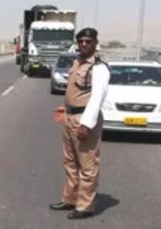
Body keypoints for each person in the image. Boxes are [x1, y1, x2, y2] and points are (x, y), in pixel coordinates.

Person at [49, 27, 110, 220]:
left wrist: (86, 124)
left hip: (83, 120)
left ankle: (85, 206)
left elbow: (97, 97)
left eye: (88, 41)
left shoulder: (98, 67)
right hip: (70, 117)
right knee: (70, 162)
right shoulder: (77, 62)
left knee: (87, 164)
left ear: (95, 43)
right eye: (81, 41)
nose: (84, 44)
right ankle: (70, 199)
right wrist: (66, 110)